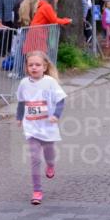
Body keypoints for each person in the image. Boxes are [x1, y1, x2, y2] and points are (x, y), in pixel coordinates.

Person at [16, 50, 66, 206]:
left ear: (45, 67)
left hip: (48, 127)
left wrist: (56, 116)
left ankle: (51, 165)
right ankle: (37, 191)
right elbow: (21, 102)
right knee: (35, 159)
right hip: (31, 127)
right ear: (26, 67)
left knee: (49, 154)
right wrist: (19, 117)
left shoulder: (50, 82)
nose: (34, 67)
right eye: (31, 65)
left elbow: (61, 100)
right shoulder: (24, 83)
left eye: (37, 65)